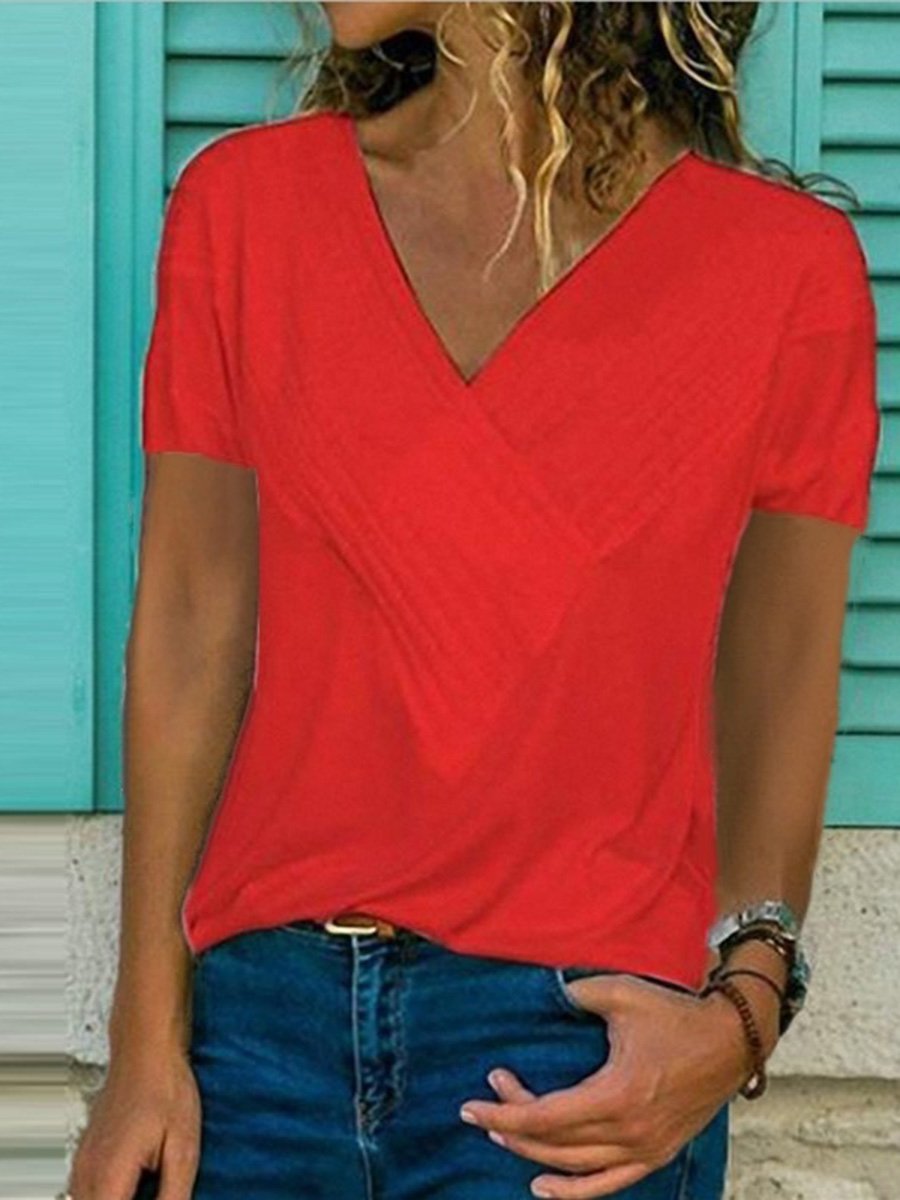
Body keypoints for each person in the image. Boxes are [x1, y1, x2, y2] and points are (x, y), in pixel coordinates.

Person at [65, 3, 881, 1199]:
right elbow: (192, 623)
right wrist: (145, 1041)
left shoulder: (783, 270)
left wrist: (742, 1016)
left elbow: (783, 668)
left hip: (578, 1057)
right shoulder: (244, 207)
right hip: (253, 1046)